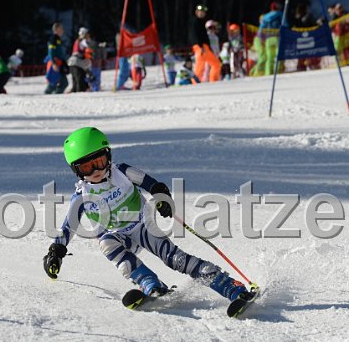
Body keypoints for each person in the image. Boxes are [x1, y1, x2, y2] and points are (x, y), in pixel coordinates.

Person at [42, 127, 255, 307]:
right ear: (77, 170)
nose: (96, 170)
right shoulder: (82, 196)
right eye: (87, 167)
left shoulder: (122, 172)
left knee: (175, 259)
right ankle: (151, 285)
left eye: (99, 161)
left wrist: (162, 198)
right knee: (106, 244)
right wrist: (56, 252)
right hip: (114, 235)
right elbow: (67, 227)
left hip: (141, 225)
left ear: (108, 156)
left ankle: (231, 287)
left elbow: (153, 185)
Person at [189, 5, 222, 82]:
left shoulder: (201, 22)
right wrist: (200, 46)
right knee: (201, 66)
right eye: (200, 12)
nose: (202, 13)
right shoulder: (194, 21)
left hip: (205, 47)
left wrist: (209, 48)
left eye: (203, 12)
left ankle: (213, 80)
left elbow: (204, 37)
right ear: (196, 12)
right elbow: (194, 35)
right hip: (200, 47)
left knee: (215, 64)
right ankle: (196, 83)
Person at [257, 1, 283, 76]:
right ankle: (278, 71)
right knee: (279, 56)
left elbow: (261, 28)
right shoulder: (280, 14)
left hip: (268, 39)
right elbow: (285, 25)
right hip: (277, 38)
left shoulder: (265, 16)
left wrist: (261, 38)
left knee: (269, 57)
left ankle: (268, 73)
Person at [293, 3, 322, 71]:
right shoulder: (298, 18)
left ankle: (312, 65)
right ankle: (302, 66)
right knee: (303, 53)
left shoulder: (307, 16)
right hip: (302, 39)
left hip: (308, 38)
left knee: (309, 53)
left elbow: (312, 25)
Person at [44, 22, 69, 94]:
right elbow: (51, 51)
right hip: (55, 63)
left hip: (59, 63)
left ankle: (56, 95)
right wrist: (53, 63)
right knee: (53, 83)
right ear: (57, 29)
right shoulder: (53, 38)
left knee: (64, 83)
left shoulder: (58, 39)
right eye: (61, 29)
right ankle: (46, 95)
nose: (63, 30)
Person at [68, 27, 92, 93]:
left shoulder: (77, 41)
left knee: (75, 82)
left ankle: (74, 92)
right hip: (78, 64)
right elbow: (89, 46)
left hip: (72, 63)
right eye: (87, 34)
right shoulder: (83, 41)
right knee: (80, 82)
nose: (89, 36)